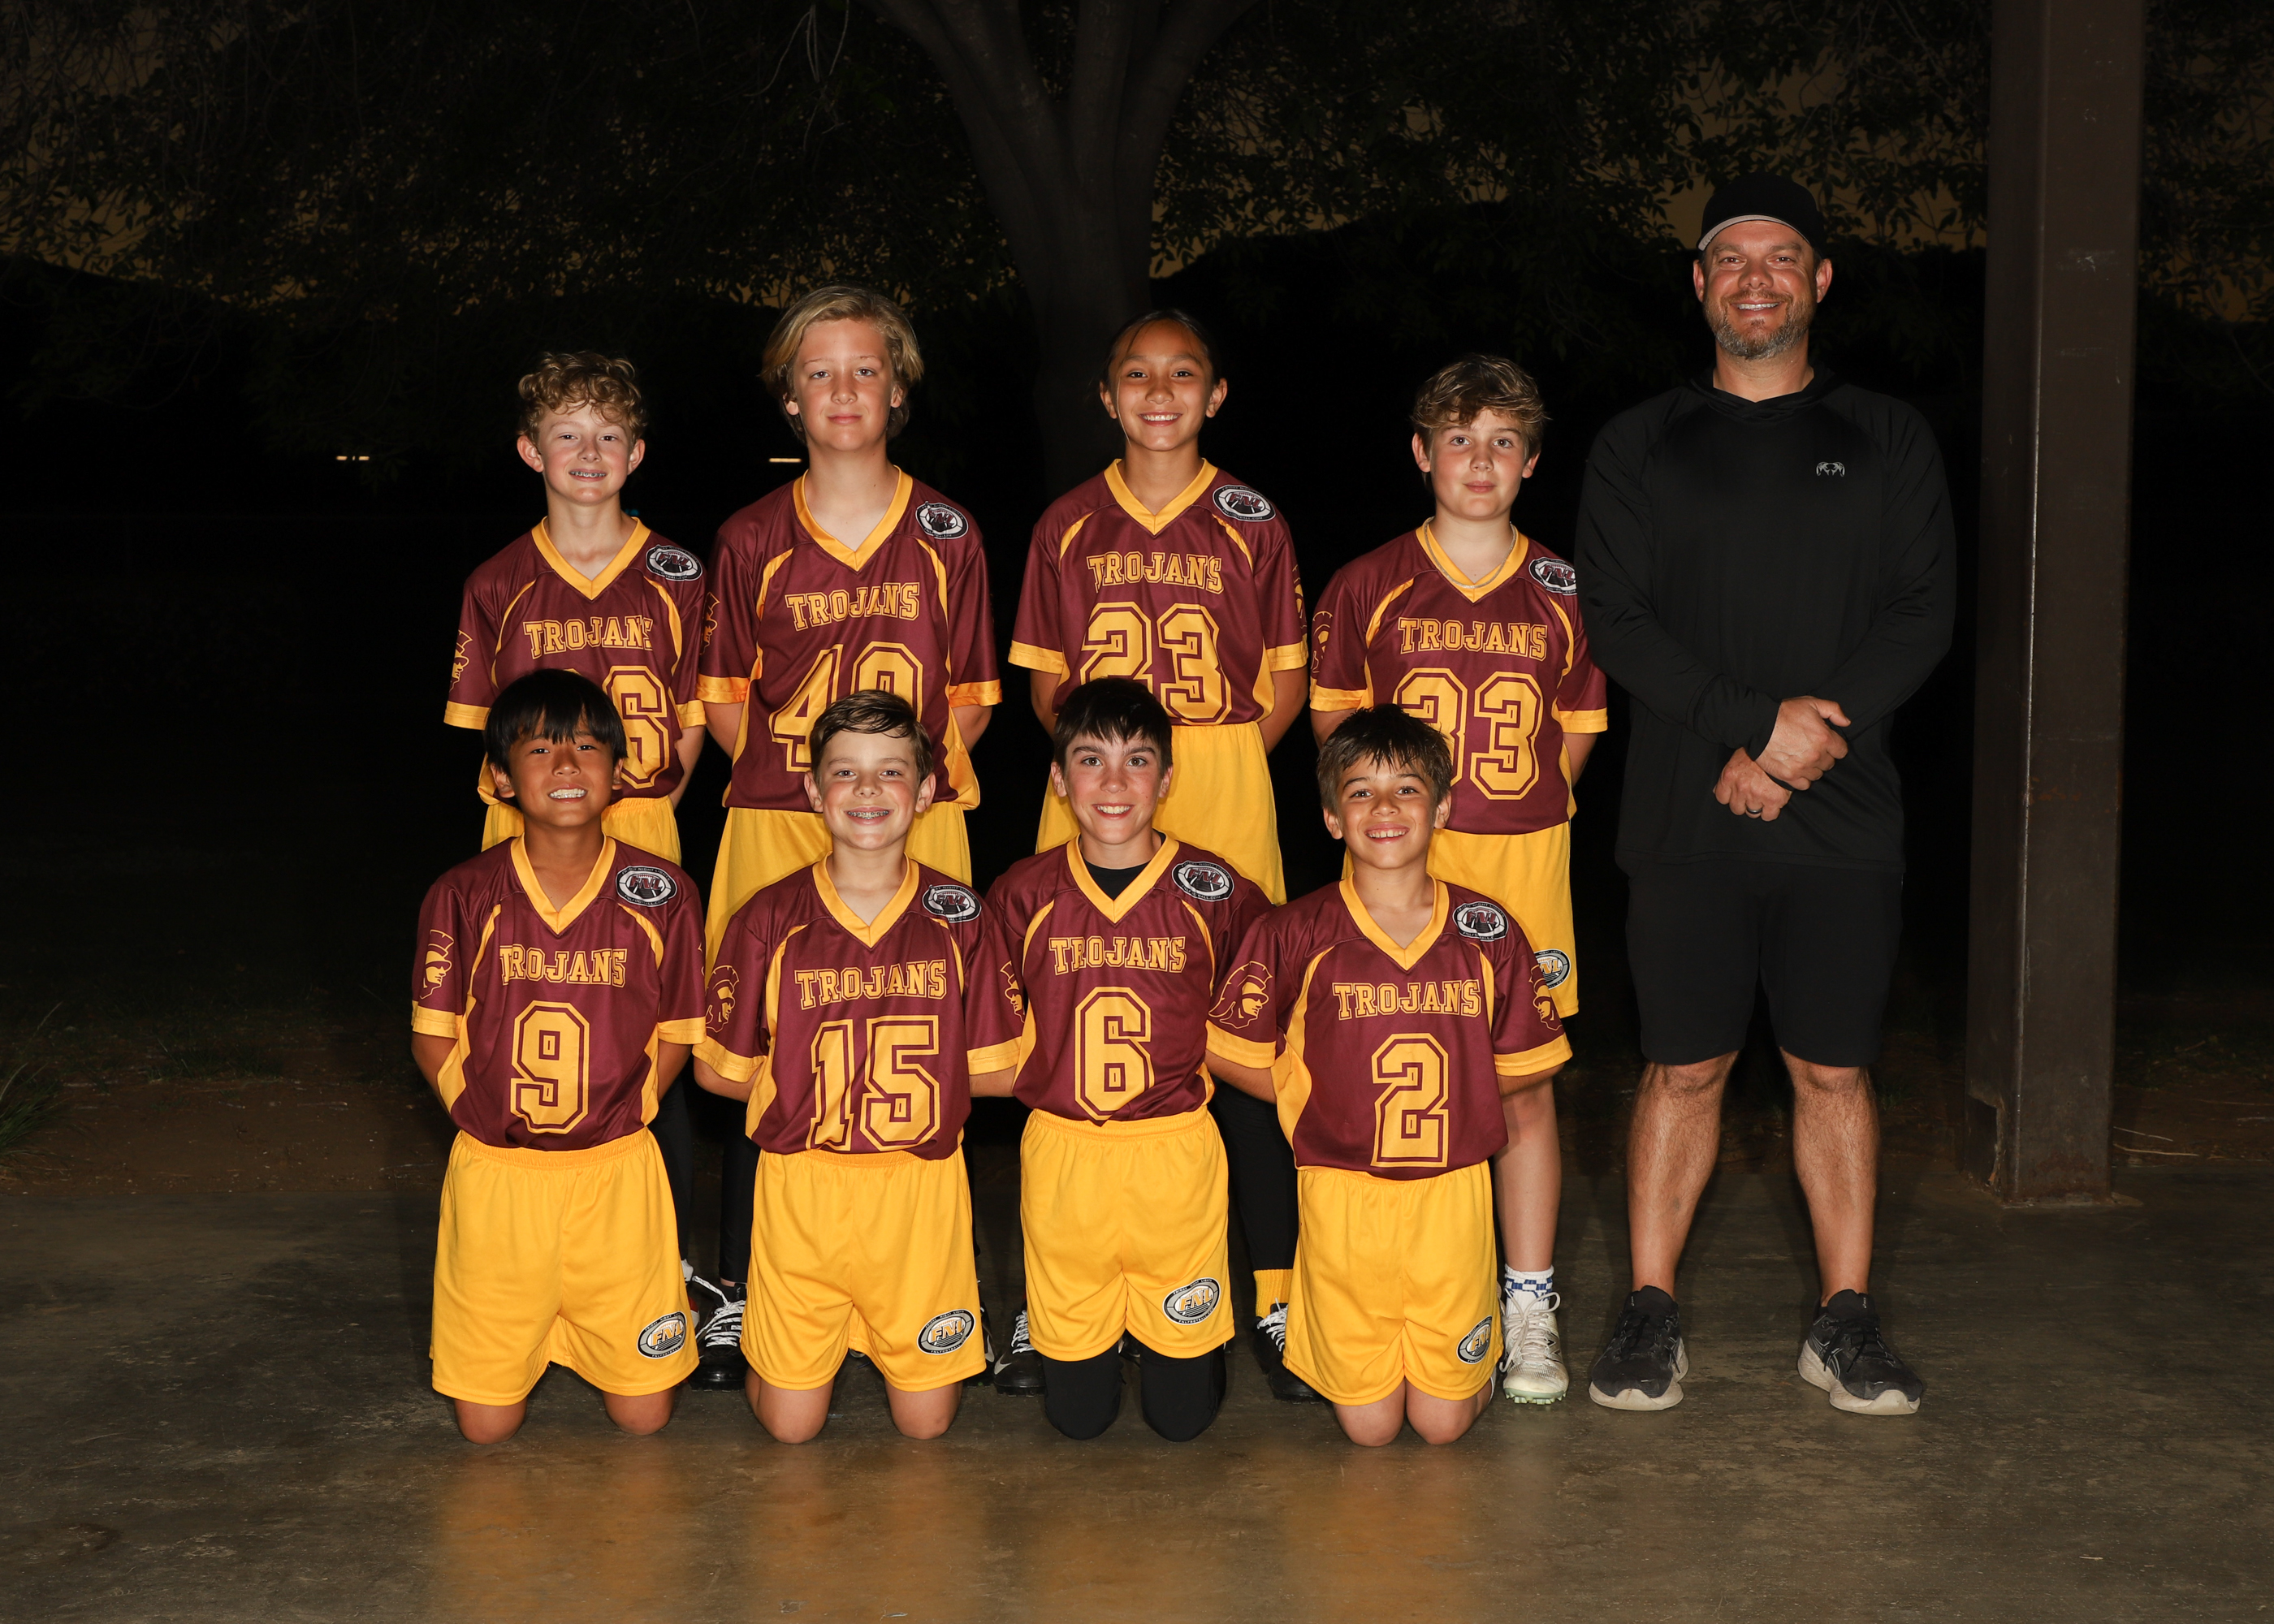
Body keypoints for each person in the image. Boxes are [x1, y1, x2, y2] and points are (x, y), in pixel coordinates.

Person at [1574, 173, 1953, 1415]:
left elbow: (1921, 616)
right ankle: (1649, 1314)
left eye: (1781, 257)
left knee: (1832, 1071)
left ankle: (1845, 1322)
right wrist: (1751, 725)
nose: (1756, 279)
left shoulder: (1889, 435)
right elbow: (1618, 620)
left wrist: (1796, 746)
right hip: (1684, 809)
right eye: (1731, 259)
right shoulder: (1639, 443)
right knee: (1682, 1067)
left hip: (1844, 814)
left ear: (1819, 280)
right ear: (1699, 284)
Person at [690, 287, 1000, 1391]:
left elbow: (970, 697)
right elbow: (725, 696)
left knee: (927, 1043)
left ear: (898, 388)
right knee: (767, 1053)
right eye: (818, 371)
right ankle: (746, 1288)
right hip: (783, 819)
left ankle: (938, 1290)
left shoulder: (949, 530)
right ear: (788, 397)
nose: (843, 390)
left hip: (916, 815)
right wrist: (803, 793)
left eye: (865, 368)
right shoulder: (750, 535)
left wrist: (892, 803)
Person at [1001, 309, 1313, 1401]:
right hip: (1099, 785)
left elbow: (1284, 680)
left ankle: (1271, 1296)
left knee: (1242, 1047)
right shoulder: (1067, 522)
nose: (1161, 392)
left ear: (1216, 394)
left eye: (1184, 373)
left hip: (1215, 774)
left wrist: (1210, 765)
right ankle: (1059, 1299)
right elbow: (1048, 687)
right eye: (1138, 374)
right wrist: (1111, 774)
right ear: (1107, 395)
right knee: (1068, 1035)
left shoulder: (1251, 517)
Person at [1308, 355, 1607, 1405]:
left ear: (1531, 461)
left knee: (1521, 1085)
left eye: (1502, 442)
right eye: (1459, 440)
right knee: (1384, 1067)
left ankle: (1526, 1303)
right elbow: (1337, 738)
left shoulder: (1566, 587)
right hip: (1404, 860)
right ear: (1421, 452)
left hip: (1520, 862)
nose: (1480, 462)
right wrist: (1407, 831)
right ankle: (1389, 1292)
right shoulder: (1367, 582)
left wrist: (1509, 814)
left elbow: (1573, 735)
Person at [1206, 707, 1570, 1445]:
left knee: (1440, 1425)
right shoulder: (1295, 930)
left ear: (1443, 809)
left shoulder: (1486, 930)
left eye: (1407, 789)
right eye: (1361, 792)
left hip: (1450, 1193)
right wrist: (1311, 1101)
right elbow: (1226, 1048)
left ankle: (1487, 1349)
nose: (1384, 808)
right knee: (1370, 1428)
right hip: (1343, 1195)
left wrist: (1465, 1103)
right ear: (1331, 817)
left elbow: (1527, 1071)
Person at [443, 351, 711, 1328]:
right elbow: (483, 729)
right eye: (567, 434)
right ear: (531, 451)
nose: (587, 452)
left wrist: (651, 796)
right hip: (521, 832)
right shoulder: (498, 580)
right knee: (522, 1025)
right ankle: (524, 1263)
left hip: (638, 823)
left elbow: (694, 715)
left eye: (607, 435)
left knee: (652, 1039)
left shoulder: (679, 572)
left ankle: (668, 1267)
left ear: (636, 453)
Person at [967, 678, 1270, 1442]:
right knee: (1078, 1418)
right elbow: (985, 1041)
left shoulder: (1216, 892)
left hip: (1174, 1154)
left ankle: (1179, 1335)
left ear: (1166, 779)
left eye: (1137, 760)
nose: (1113, 782)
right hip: (1065, 1152)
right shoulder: (1022, 892)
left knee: (1181, 1420)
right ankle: (1088, 1327)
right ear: (1058, 778)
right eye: (1090, 760)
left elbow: (1273, 1014)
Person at [411, 669, 706, 1443]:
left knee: (644, 1415)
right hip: (500, 1177)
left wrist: (637, 1105)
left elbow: (679, 1027)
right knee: (486, 1426)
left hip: (616, 1174)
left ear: (619, 770)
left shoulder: (663, 891)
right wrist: (469, 1108)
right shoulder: (464, 892)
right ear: (502, 777)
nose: (567, 766)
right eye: (540, 749)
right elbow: (432, 1030)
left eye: (587, 747)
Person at [691, 690, 991, 1443]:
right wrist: (800, 1089)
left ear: (927, 790)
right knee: (791, 1428)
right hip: (805, 1186)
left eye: (891, 771)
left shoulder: (960, 915)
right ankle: (776, 1336)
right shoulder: (767, 917)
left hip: (919, 1188)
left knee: (925, 1426)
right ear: (813, 790)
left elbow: (999, 1068)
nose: (867, 790)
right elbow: (718, 1071)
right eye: (846, 772)